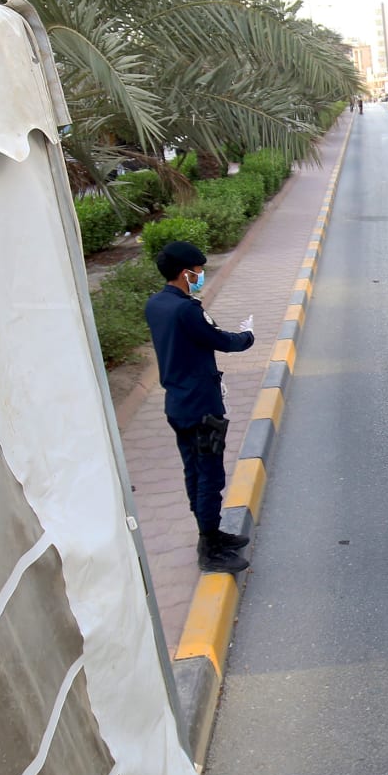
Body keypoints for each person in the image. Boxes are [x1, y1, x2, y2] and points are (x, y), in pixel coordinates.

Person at [145, 241, 256, 573]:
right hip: (202, 406)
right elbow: (220, 340)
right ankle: (210, 549)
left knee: (193, 471)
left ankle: (210, 533)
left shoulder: (156, 305)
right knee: (210, 475)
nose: (200, 276)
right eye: (198, 271)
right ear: (185, 273)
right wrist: (247, 336)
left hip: (178, 405)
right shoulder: (186, 310)